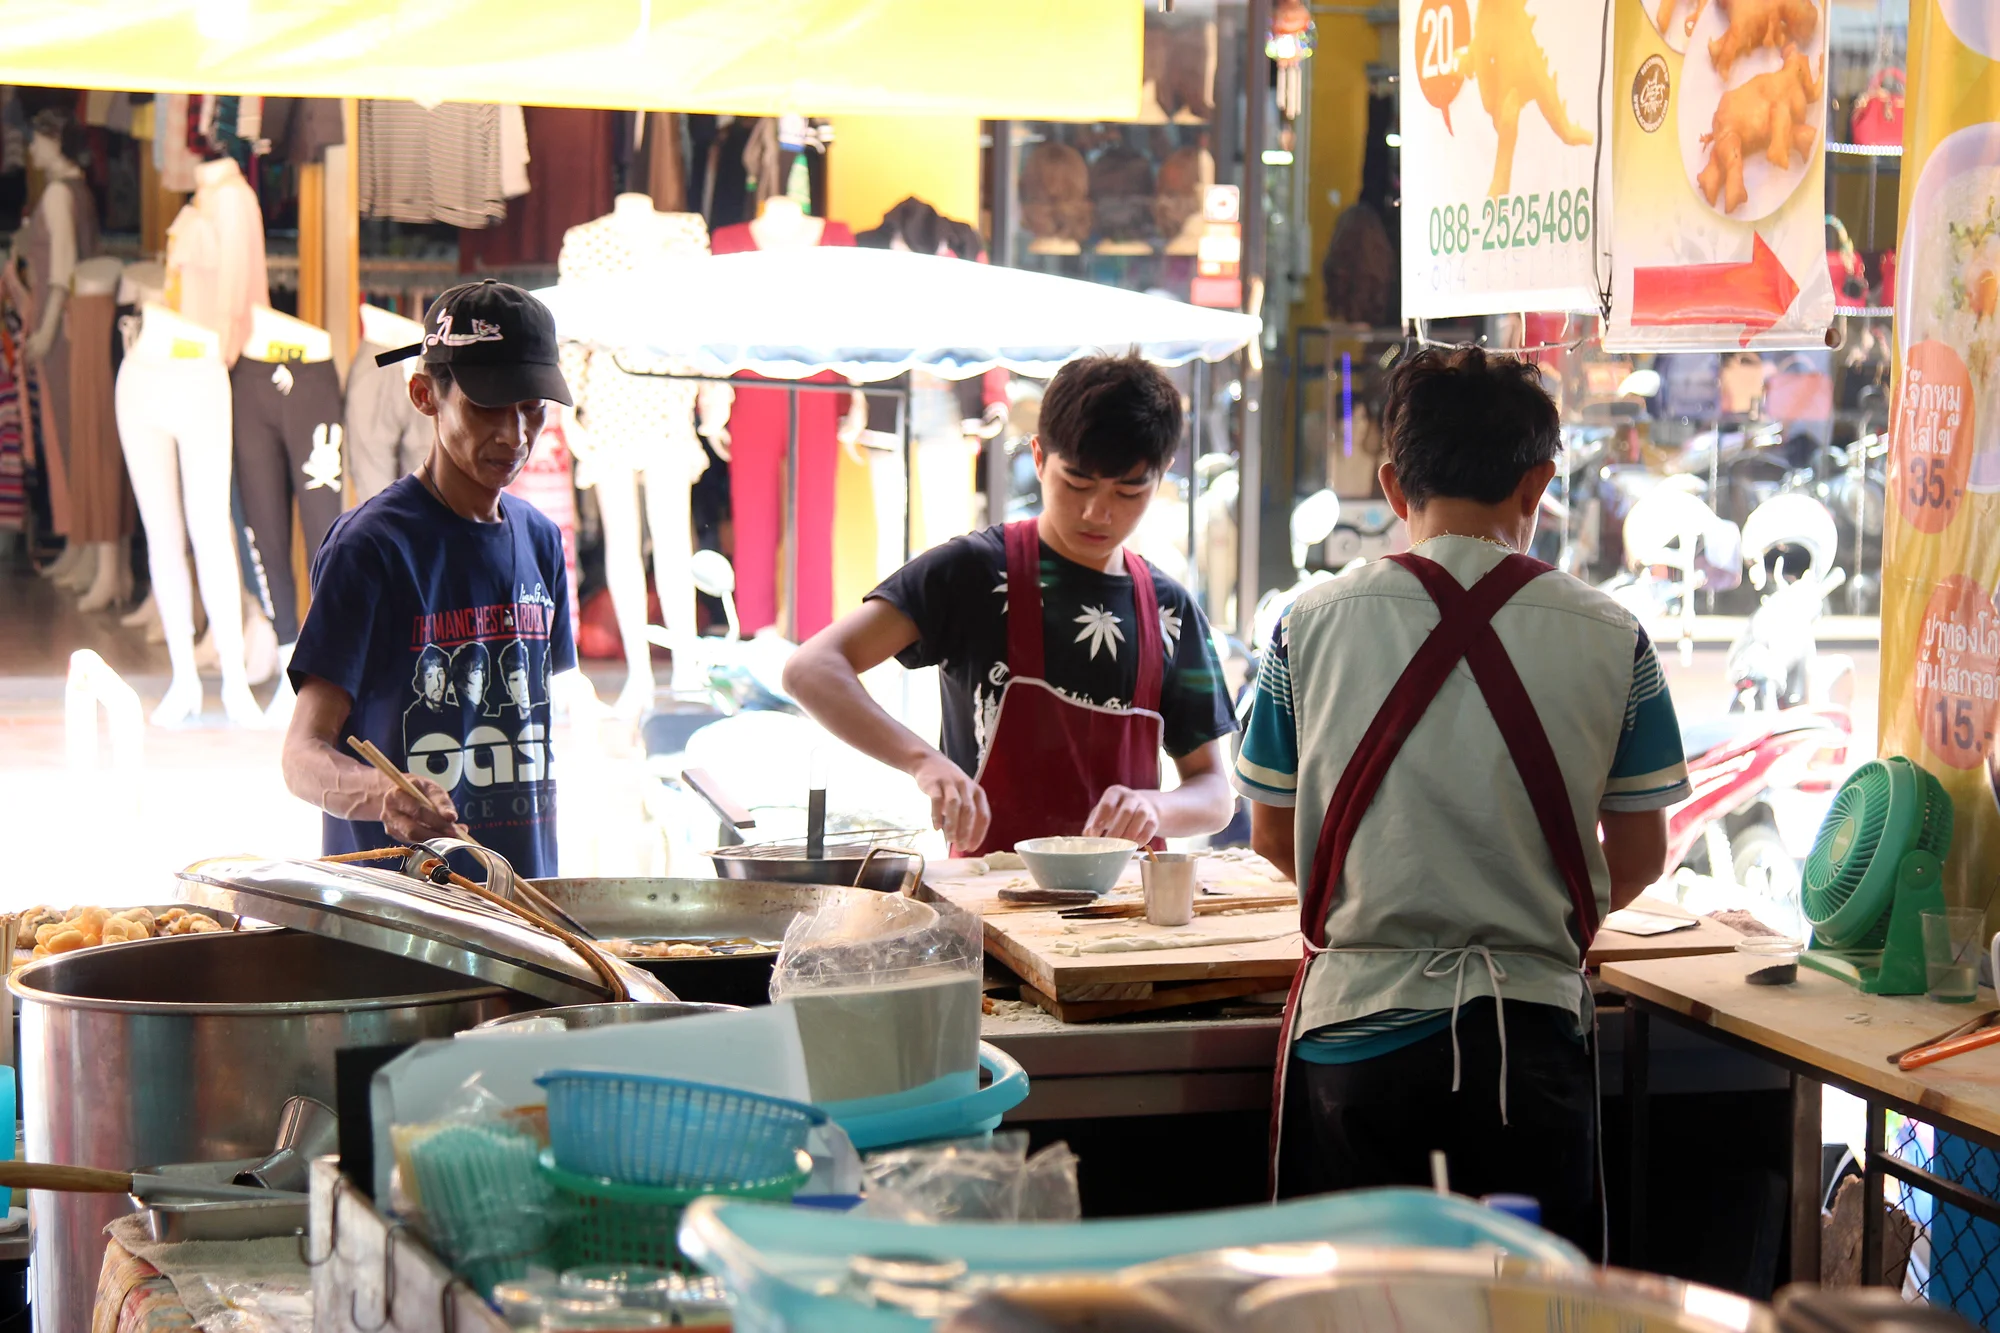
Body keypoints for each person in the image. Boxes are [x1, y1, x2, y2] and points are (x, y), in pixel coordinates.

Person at [1234, 347, 1690, 1252]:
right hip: (1530, 1046)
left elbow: (1273, 836)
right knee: (1528, 1305)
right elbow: (1641, 854)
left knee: (1357, 1307)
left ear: (1392, 484)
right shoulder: (1617, 637)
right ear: (1539, 483)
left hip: (1352, 1040)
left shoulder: (1303, 626)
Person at [783, 351, 1237, 853]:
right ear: (1039, 458)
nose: (1097, 512)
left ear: (1162, 474)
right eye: (1076, 483)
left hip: (1126, 895)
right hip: (987, 891)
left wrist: (1156, 808)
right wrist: (922, 760)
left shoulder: (1170, 611)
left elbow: (1215, 793)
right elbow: (812, 668)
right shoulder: (972, 572)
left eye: (1127, 492)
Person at [280, 280, 576, 878]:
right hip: (396, 912)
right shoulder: (369, 548)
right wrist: (381, 794)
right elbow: (301, 757)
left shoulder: (542, 542)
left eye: (531, 407)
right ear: (424, 395)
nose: (515, 435)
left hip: (518, 897)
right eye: (487, 406)